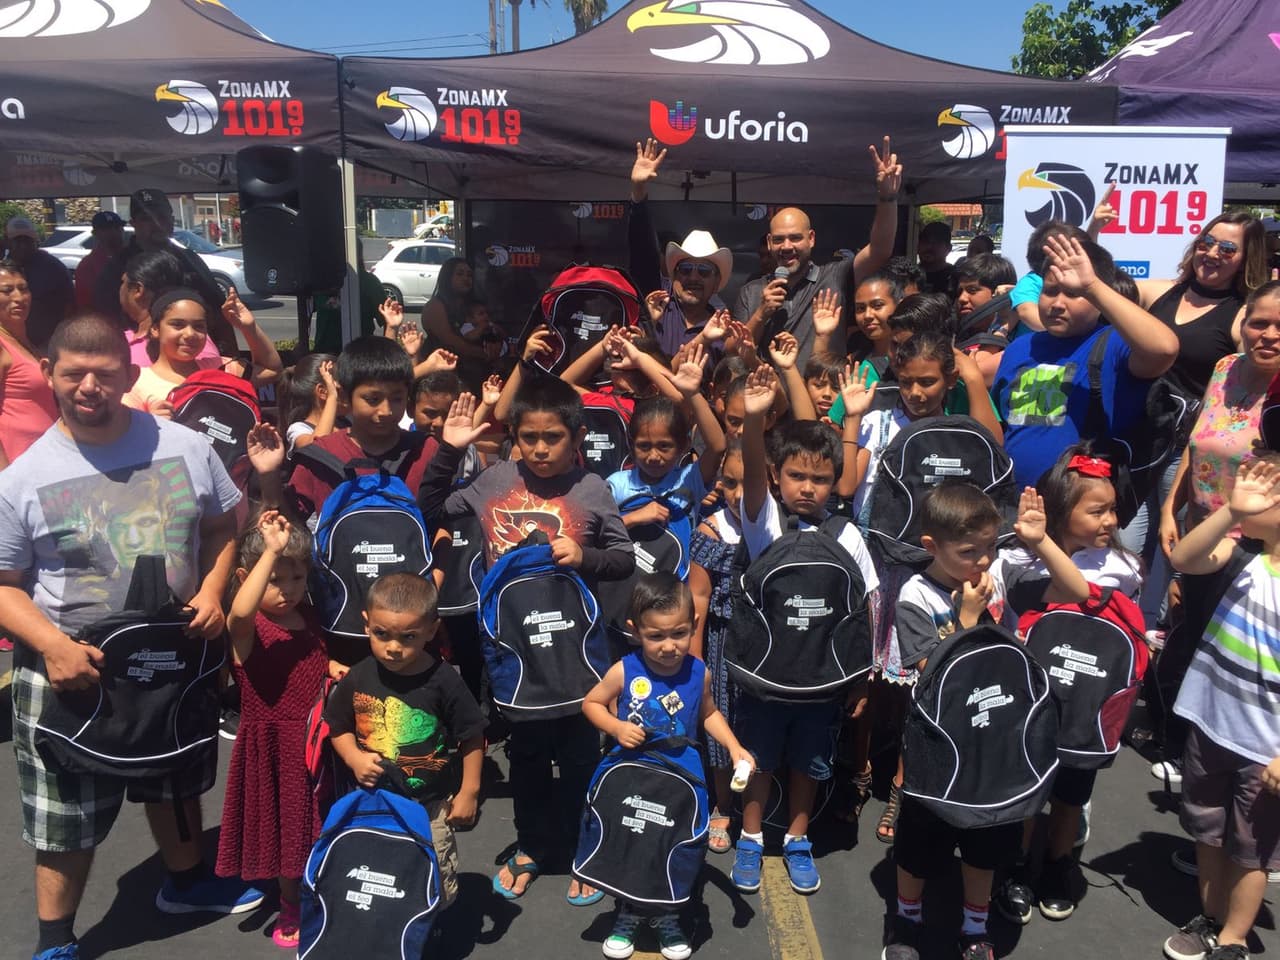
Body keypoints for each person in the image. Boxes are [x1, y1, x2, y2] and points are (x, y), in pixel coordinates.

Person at [0, 313, 262, 960]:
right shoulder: (22, 479)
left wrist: (211, 591)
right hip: (70, 665)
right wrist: (53, 647)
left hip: (172, 654)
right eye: (73, 374)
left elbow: (221, 528)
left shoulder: (186, 447)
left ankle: (187, 884)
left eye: (104, 373)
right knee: (66, 817)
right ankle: (55, 941)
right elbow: (4, 585)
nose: (89, 386)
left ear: (127, 373)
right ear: (49, 374)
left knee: (173, 779)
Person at [418, 378, 635, 905]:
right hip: (514, 655)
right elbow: (430, 506)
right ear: (514, 436)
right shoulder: (495, 480)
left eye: (552, 437)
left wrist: (585, 557)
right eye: (529, 437)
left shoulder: (591, 488)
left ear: (576, 437)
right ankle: (533, 845)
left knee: (581, 757)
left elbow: (624, 559)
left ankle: (584, 847)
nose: (539, 449)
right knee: (528, 757)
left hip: (576, 656)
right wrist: (450, 449)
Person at [882, 483, 1088, 960]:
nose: (982, 560)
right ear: (932, 545)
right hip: (938, 745)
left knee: (987, 841)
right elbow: (933, 675)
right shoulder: (916, 596)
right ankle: (906, 919)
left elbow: (1078, 591)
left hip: (998, 741)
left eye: (990, 546)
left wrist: (1039, 541)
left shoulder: (998, 573)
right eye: (968, 551)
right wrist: (969, 618)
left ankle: (975, 925)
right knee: (919, 843)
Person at [732, 365, 879, 897]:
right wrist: (754, 421)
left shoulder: (847, 535)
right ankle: (750, 838)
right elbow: (751, 471)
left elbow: (864, 610)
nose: (807, 488)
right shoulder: (764, 523)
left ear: (835, 481)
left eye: (820, 479)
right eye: (796, 476)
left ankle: (797, 838)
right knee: (758, 760)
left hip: (822, 683)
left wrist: (860, 680)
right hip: (765, 681)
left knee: (810, 765)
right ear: (777, 477)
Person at [995, 446, 1143, 927]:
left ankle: (1059, 864)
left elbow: (1082, 592)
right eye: (1097, 511)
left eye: (1113, 509)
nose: (1110, 521)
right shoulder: (1018, 560)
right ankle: (1016, 866)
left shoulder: (1119, 568)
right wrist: (1036, 544)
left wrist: (1042, 543)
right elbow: (1040, 595)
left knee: (1071, 794)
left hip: (1087, 703)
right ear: (1060, 512)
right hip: (1033, 698)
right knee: (1027, 788)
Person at [582, 572, 754, 960]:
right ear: (635, 630)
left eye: (678, 634)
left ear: (694, 625)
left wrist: (735, 747)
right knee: (633, 845)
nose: (668, 646)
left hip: (682, 779)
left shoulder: (698, 672)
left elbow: (708, 714)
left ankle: (667, 916)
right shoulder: (625, 670)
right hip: (633, 774)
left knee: (673, 847)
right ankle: (627, 913)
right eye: (655, 636)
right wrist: (616, 727)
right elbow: (591, 703)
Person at [1161, 457, 1280, 960]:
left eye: (1267, 490)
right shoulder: (1239, 555)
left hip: (1265, 747)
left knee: (1253, 850)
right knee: (1207, 832)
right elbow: (1184, 558)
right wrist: (1231, 511)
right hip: (1211, 725)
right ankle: (1210, 918)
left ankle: (1234, 937)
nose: (1250, 494)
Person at [325, 572, 485, 915]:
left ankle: (433, 921)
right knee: (379, 872)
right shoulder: (359, 675)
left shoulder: (444, 680)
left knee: (434, 874)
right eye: (381, 634)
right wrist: (353, 758)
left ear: (431, 630)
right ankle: (391, 924)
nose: (393, 647)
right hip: (373, 803)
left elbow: (472, 734)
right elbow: (337, 726)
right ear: (366, 624)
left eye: (408, 637)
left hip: (429, 805)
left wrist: (469, 791)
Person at [216, 510, 329, 950]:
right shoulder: (248, 630)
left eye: (297, 578)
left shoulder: (309, 617)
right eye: (275, 580)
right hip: (275, 743)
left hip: (316, 738)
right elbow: (239, 611)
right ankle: (291, 902)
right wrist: (271, 552)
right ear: (248, 578)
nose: (288, 590)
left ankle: (321, 887)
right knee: (288, 828)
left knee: (316, 821)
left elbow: (317, 663)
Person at [992, 233, 1180, 490]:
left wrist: (1091, 286)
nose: (1057, 304)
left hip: (1084, 504)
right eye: (1050, 291)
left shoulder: (1114, 344)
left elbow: (1165, 349)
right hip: (1018, 501)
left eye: (1073, 293)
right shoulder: (1019, 348)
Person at [734, 137, 902, 367]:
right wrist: (761, 313)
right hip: (767, 390)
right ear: (770, 243)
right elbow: (734, 352)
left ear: (811, 238)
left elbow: (879, 250)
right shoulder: (751, 291)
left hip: (824, 390)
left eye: (795, 238)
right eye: (779, 240)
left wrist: (888, 198)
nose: (787, 247)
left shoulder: (836, 276)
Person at [93, 188, 237, 356]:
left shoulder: (190, 259)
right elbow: (104, 322)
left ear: (172, 220)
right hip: (137, 358)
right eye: (146, 218)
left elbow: (218, 312)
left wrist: (231, 356)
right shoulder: (118, 267)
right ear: (134, 223)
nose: (156, 224)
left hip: (194, 355)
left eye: (161, 217)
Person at [689, 441, 746, 853]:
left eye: (749, 483)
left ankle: (757, 799)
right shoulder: (712, 530)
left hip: (767, 645)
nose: (738, 494)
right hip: (722, 641)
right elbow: (698, 598)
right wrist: (695, 660)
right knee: (719, 716)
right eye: (729, 482)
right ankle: (722, 804)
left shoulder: (779, 528)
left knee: (757, 721)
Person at [628, 139, 731, 358]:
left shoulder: (723, 326)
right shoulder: (658, 301)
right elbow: (642, 252)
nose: (693, 277)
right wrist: (639, 191)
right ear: (673, 275)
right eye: (685, 269)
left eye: (704, 271)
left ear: (716, 282)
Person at [122, 287, 281, 415]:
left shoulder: (221, 369)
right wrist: (150, 423)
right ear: (155, 329)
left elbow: (271, 370)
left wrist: (248, 328)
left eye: (198, 326)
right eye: (177, 325)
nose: (190, 334)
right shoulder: (135, 383)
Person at [0, 260, 56, 469]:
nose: (19, 298)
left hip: (42, 457)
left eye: (23, 289)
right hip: (15, 461)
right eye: (7, 291)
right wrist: (4, 476)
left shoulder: (26, 341)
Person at [116, 249, 205, 366]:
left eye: (122, 282)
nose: (190, 333)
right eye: (177, 324)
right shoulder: (118, 340)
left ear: (138, 290)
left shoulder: (190, 344)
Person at [4, 216, 72, 350]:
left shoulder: (53, 268)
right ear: (7, 241)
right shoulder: (3, 269)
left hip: (46, 343)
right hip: (8, 343)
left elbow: (69, 306)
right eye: (17, 240)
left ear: (35, 241)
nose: (23, 245)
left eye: (27, 240)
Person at [276, 353, 340, 456]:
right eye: (342, 385)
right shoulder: (299, 429)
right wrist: (332, 397)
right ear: (323, 392)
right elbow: (316, 449)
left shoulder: (347, 423)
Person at [73, 211, 126, 309]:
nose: (114, 233)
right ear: (95, 233)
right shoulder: (87, 265)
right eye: (107, 229)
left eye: (117, 228)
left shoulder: (134, 257)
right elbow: (85, 305)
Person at [916, 221, 955, 295]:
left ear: (948, 248)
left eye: (937, 242)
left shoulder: (956, 278)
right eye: (925, 241)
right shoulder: (909, 276)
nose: (929, 247)